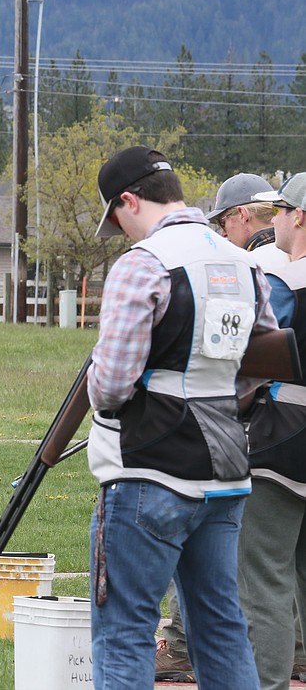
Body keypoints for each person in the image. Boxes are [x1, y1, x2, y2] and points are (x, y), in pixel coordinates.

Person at [86, 146, 278, 689]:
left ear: (128, 201)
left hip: (148, 469)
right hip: (226, 472)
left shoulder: (143, 264)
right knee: (220, 629)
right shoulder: (245, 263)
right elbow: (259, 363)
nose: (122, 232)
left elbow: (111, 384)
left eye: (117, 218)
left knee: (124, 632)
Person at [157, 171, 294, 682]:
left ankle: (178, 645)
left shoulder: (258, 266)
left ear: (240, 217)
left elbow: (247, 359)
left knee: (239, 569)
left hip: (248, 427)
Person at [238, 173, 306, 690]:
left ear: (299, 216)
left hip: (285, 439)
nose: (274, 220)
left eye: (281, 210)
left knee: (263, 580)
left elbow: (251, 356)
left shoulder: (288, 283)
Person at [207, 173, 288, 271]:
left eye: (222, 223)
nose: (223, 233)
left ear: (242, 214)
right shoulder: (296, 255)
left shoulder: (247, 267)